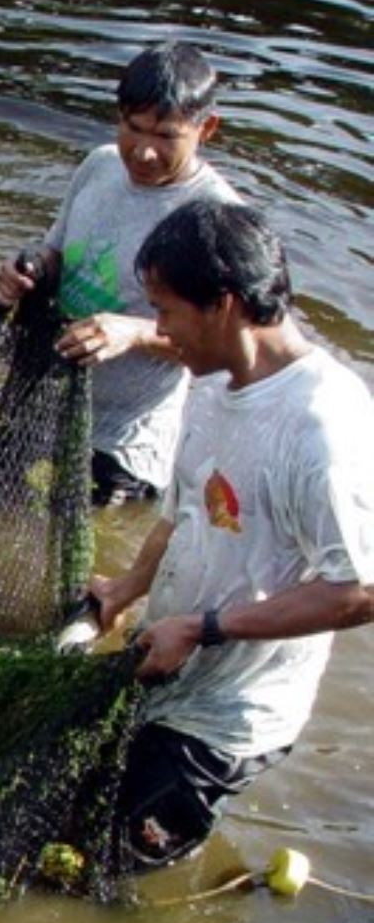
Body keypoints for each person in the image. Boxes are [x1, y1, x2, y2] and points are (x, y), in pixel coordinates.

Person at [88, 199, 374, 869]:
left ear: (222, 305)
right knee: (77, 826)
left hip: (228, 718)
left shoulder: (323, 429)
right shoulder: (212, 385)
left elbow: (358, 592)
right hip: (171, 665)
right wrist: (128, 588)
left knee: (108, 873)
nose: (159, 330)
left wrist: (202, 628)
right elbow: (183, 511)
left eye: (165, 311)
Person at [0, 41, 242, 506]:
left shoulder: (217, 219)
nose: (143, 152)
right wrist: (28, 267)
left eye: (166, 136)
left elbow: (222, 347)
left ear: (206, 128)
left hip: (123, 442)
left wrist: (133, 333)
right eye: (134, 128)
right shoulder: (101, 165)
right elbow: (57, 249)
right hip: (48, 401)